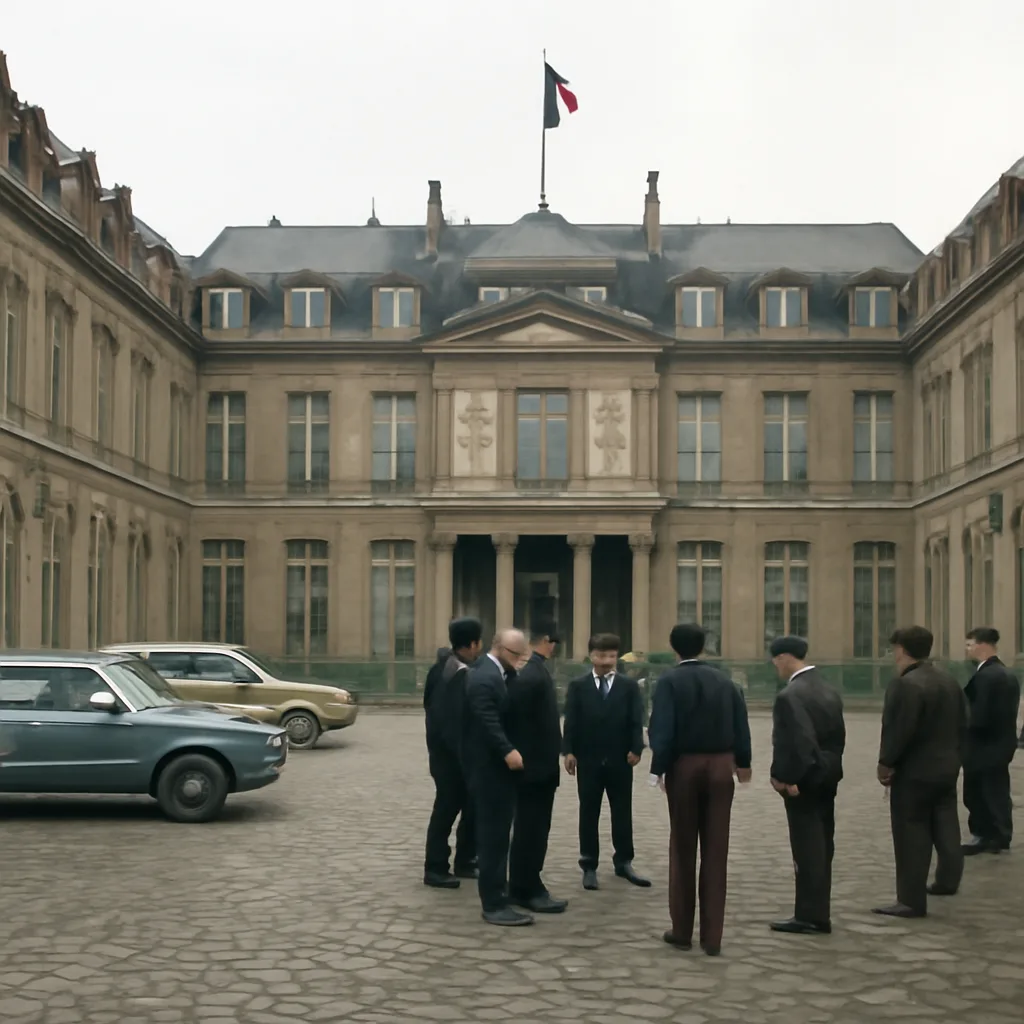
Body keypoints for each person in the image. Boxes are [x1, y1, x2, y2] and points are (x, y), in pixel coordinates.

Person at [648, 623, 752, 957]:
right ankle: (713, 936)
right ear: (704, 646)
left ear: (674, 647)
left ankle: (682, 930)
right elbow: (741, 723)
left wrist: (658, 769)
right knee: (716, 849)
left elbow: (662, 729)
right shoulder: (726, 681)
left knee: (682, 846)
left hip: (685, 766)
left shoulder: (668, 681)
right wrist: (743, 762)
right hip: (722, 765)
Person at [874, 626, 968, 918]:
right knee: (946, 823)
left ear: (901, 649)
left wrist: (886, 762)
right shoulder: (949, 680)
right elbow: (964, 722)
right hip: (947, 765)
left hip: (915, 771)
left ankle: (911, 899)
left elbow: (898, 730)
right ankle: (948, 879)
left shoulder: (905, 684)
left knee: (911, 832)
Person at [767, 636, 845, 936]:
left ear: (785, 657)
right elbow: (837, 738)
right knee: (824, 846)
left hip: (806, 781)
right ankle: (817, 910)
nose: (775, 665)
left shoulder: (791, 695)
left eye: (776, 659)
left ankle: (810, 915)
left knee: (807, 848)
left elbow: (797, 743)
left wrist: (788, 778)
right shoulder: (827, 689)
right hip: (827, 777)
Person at [563, 633, 649, 891]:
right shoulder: (578, 686)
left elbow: (637, 719)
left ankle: (624, 861)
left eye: (612, 655)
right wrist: (568, 751)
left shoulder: (629, 686)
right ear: (591, 656)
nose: (606, 660)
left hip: (620, 759)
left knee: (622, 812)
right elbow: (572, 721)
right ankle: (589, 864)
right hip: (588, 760)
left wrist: (637, 748)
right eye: (601, 655)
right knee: (589, 812)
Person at [464, 628, 531, 926]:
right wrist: (507, 750)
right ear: (502, 649)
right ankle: (493, 903)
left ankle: (497, 895)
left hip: (495, 769)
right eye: (517, 656)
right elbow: (485, 717)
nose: (520, 662)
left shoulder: (496, 673)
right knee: (493, 838)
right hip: (489, 770)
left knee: (498, 835)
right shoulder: (484, 677)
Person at [506, 622, 568, 914]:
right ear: (546, 640)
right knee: (531, 830)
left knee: (533, 829)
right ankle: (525, 887)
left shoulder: (533, 670)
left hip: (537, 766)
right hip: (534, 769)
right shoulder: (532, 673)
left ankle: (527, 883)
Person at [422, 617, 482, 888]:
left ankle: (465, 860)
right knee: (446, 810)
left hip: (449, 755)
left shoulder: (442, 668)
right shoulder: (456, 674)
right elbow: (452, 722)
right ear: (471, 644)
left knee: (470, 808)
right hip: (452, 758)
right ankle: (435, 867)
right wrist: (465, 758)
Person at [962, 627, 1020, 854]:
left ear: (982, 645)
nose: (967, 650)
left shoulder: (987, 676)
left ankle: (987, 835)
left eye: (970, 644)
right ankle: (999, 834)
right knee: (996, 790)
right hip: (999, 745)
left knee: (981, 792)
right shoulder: (1004, 673)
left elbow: (979, 715)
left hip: (983, 746)